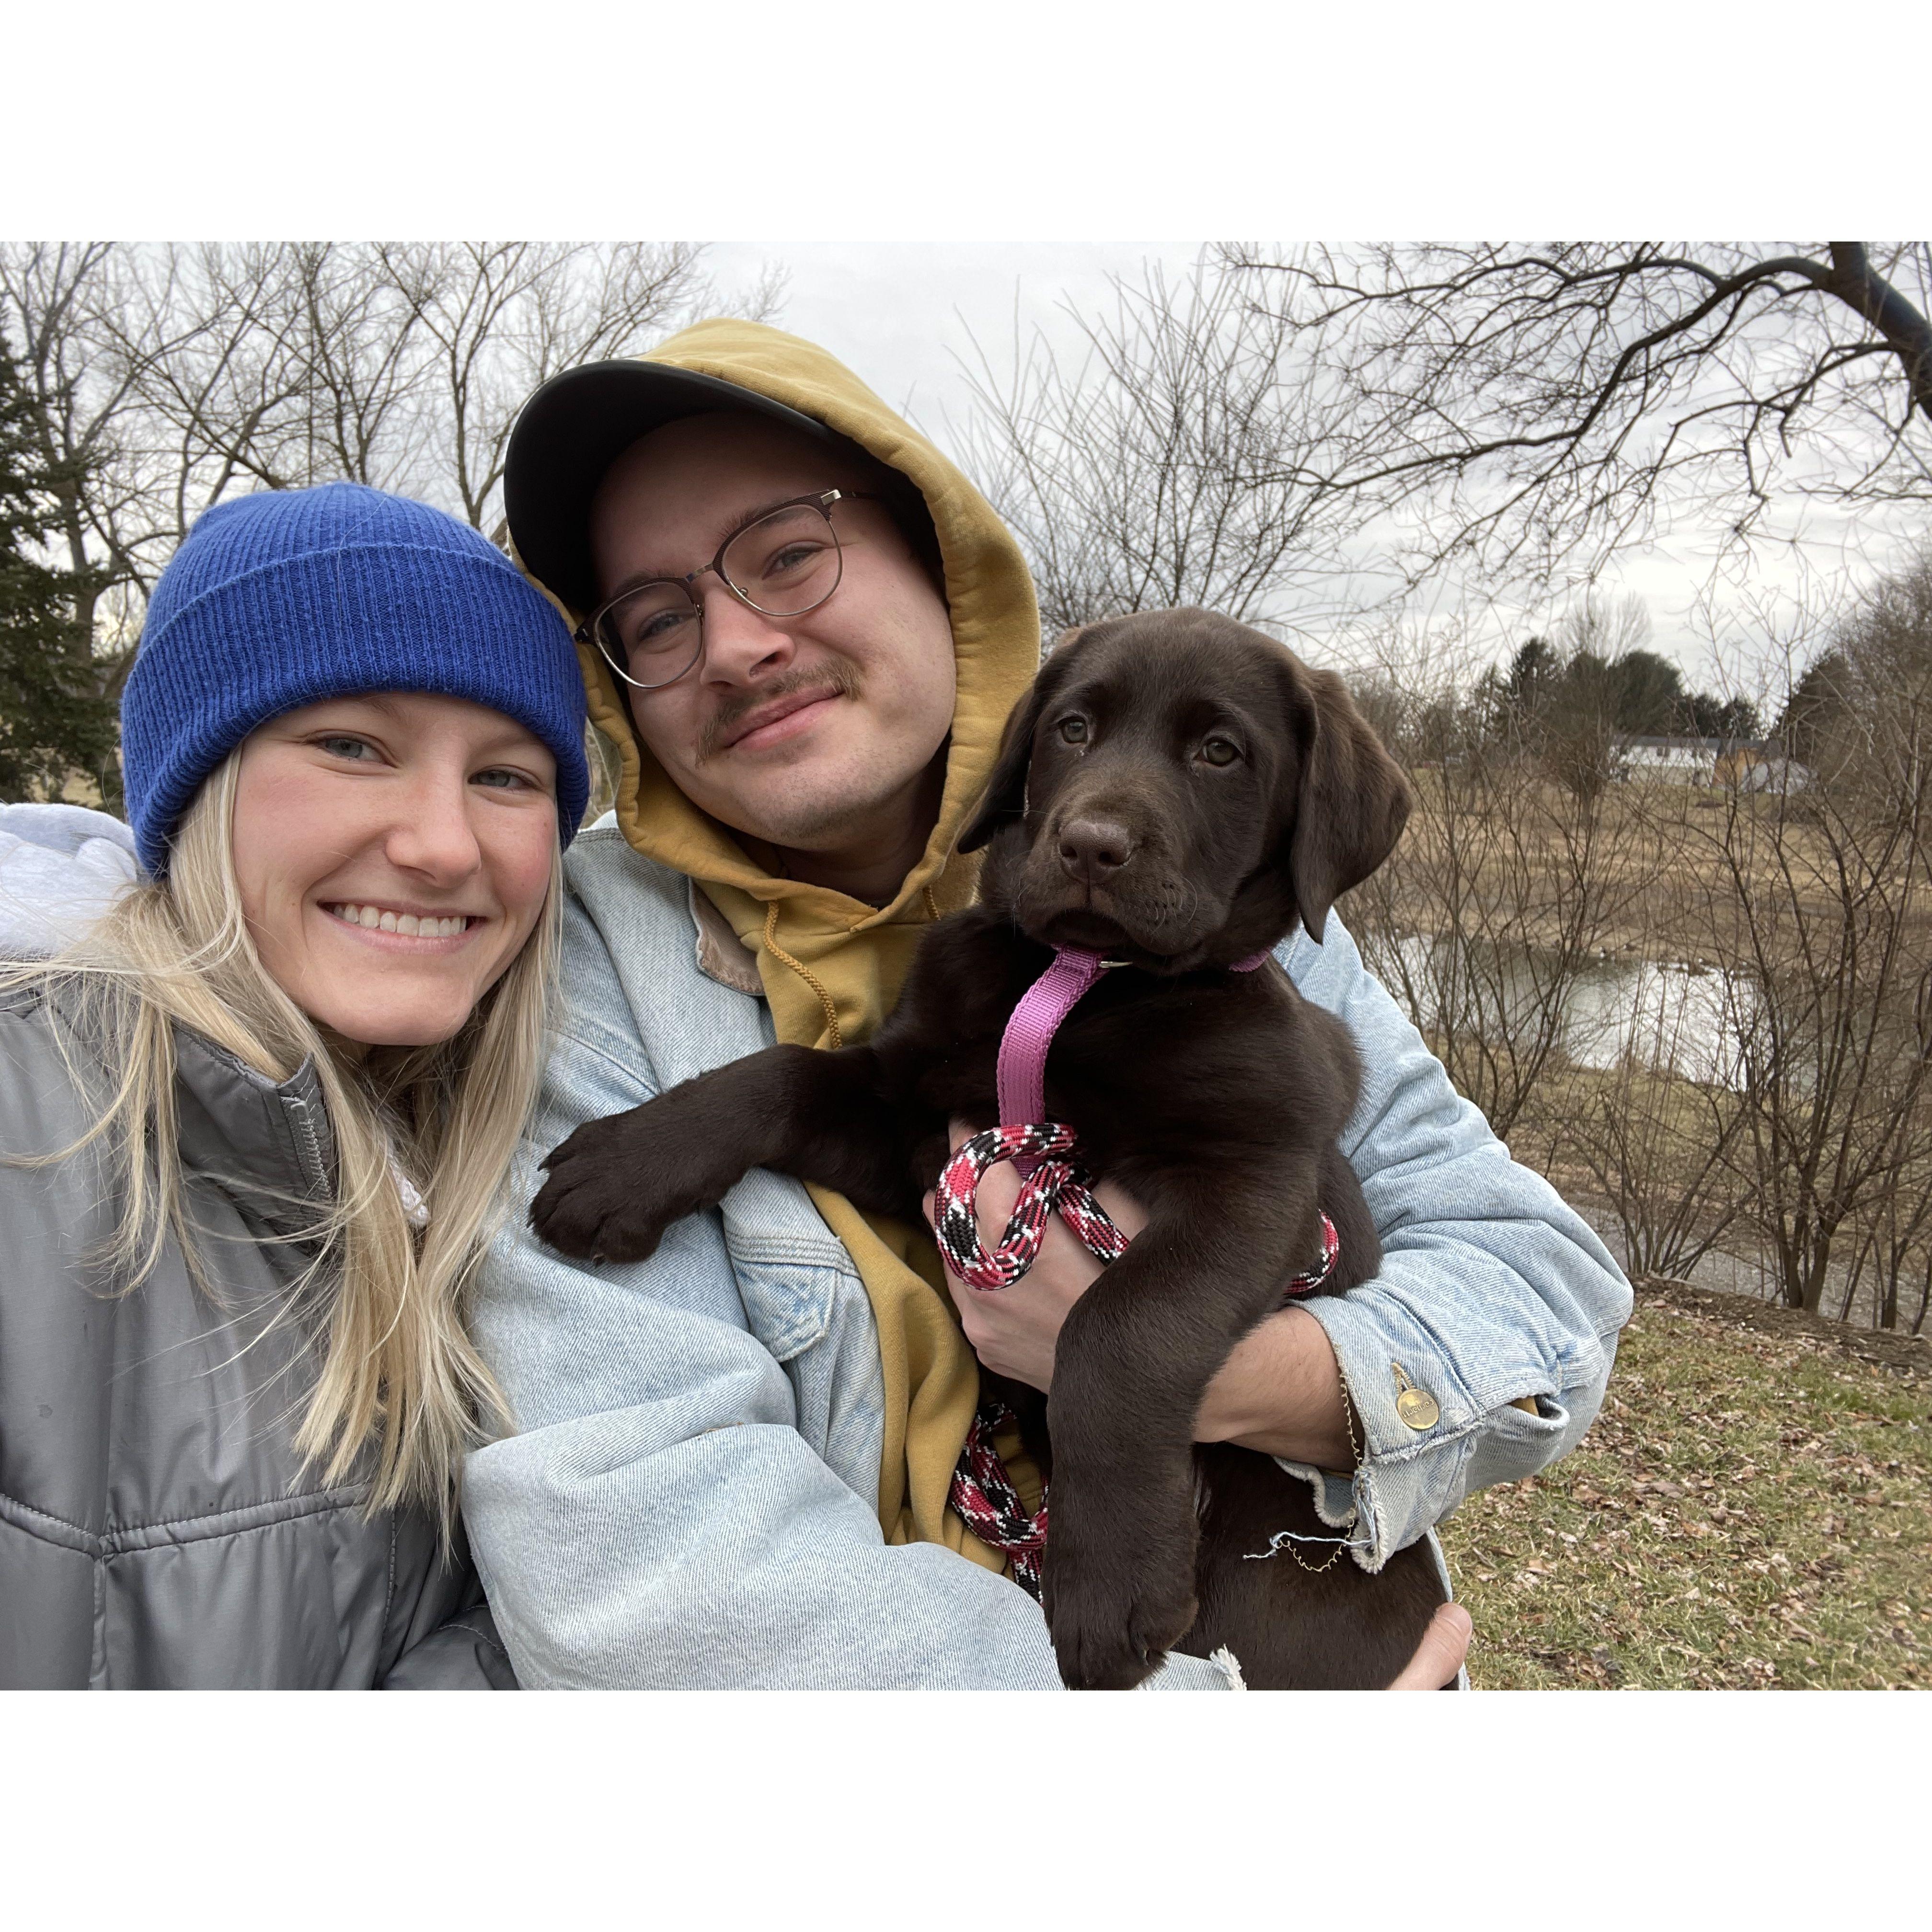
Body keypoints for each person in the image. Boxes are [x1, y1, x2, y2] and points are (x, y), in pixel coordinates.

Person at [462, 319, 1631, 1689]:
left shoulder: (1242, 953)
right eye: (658, 617)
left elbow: (1544, 1295)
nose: (738, 644)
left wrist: (1196, 1374)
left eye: (789, 555)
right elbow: (644, 1576)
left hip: (1287, 1609)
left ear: (942, 572)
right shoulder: (577, 961)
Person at [0, 483, 588, 1689]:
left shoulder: (511, 1161)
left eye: (509, 776)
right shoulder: (29, 1129)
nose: (442, 845)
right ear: (199, 788)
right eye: (352, 748)